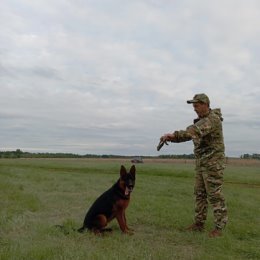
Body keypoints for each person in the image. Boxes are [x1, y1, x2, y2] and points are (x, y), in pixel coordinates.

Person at [160, 93, 228, 238]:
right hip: (202, 163)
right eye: (193, 106)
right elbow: (190, 134)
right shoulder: (202, 120)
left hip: (213, 164)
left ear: (205, 104)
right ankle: (198, 224)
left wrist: (173, 135)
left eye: (196, 106)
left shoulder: (212, 120)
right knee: (200, 194)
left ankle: (219, 228)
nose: (194, 109)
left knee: (215, 195)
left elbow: (193, 131)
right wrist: (172, 138)